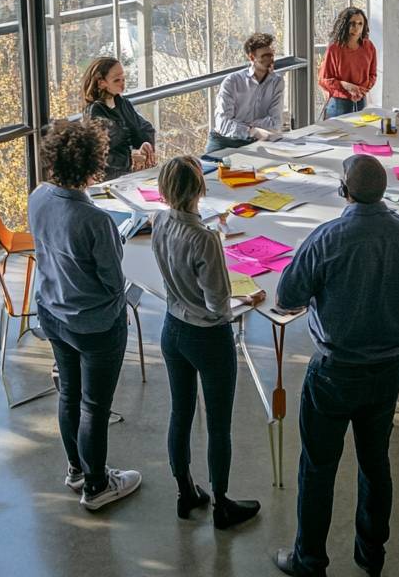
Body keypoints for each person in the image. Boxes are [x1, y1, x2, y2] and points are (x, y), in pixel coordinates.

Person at [272, 155, 399, 577]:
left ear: (344, 189)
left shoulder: (328, 238)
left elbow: (287, 296)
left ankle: (309, 560)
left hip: (333, 372)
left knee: (318, 466)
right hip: (386, 370)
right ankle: (371, 554)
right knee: (376, 462)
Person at [29, 118, 141, 510]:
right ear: (94, 163)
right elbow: (113, 282)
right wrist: (118, 240)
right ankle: (97, 486)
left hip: (53, 314)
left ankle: (77, 469)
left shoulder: (37, 197)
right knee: (94, 406)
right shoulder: (96, 221)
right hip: (95, 325)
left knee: (69, 394)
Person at [152, 155, 265, 528]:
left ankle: (186, 490)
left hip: (173, 329)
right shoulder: (204, 238)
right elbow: (218, 305)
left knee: (180, 413)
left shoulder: (159, 222)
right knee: (218, 425)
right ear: (199, 189)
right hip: (208, 338)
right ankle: (221, 503)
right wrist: (244, 300)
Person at [204, 32, 285, 158]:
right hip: (224, 141)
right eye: (265, 56)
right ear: (252, 58)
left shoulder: (277, 82)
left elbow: (275, 123)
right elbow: (223, 123)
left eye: (271, 55)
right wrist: (252, 130)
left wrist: (242, 126)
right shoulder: (232, 82)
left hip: (256, 141)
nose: (270, 60)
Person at [81, 57, 156, 180]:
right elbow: (101, 153)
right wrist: (130, 158)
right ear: (101, 83)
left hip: (133, 174)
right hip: (112, 180)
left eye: (123, 79)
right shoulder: (95, 112)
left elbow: (144, 128)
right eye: (117, 80)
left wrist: (145, 144)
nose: (122, 83)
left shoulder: (123, 103)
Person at [318, 7, 377, 118]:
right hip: (338, 104)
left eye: (360, 24)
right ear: (345, 24)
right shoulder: (334, 49)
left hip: (361, 102)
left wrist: (361, 91)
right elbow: (323, 80)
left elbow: (372, 75)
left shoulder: (369, 47)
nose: (356, 28)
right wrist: (344, 85)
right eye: (352, 23)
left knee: (361, 135)